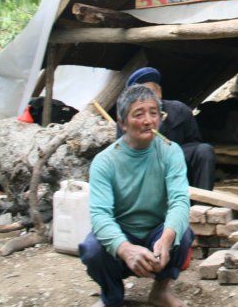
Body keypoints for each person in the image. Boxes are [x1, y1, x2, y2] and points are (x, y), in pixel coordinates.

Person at [80, 84, 193, 307]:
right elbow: (100, 216)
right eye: (138, 114)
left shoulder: (170, 151)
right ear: (122, 123)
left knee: (183, 234)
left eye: (154, 113)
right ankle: (111, 297)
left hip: (156, 232)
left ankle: (160, 291)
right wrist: (125, 249)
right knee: (92, 249)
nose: (148, 121)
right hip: (123, 232)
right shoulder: (105, 162)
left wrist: (166, 239)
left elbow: (180, 202)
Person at [125, 67, 216, 191]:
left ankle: (202, 200)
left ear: (159, 92)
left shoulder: (179, 110)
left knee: (204, 150)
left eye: (152, 92)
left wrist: (173, 153)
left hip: (178, 158)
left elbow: (194, 143)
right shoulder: (129, 119)